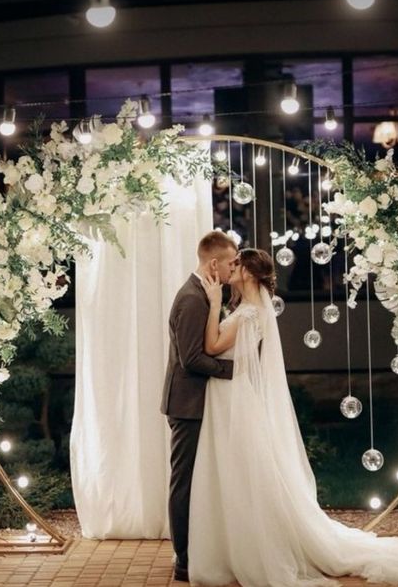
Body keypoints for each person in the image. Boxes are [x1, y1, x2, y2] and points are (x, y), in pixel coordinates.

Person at [189, 248, 398, 586]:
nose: (232, 268)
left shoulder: (248, 314)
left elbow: (213, 347)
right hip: (232, 396)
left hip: (234, 398)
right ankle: (234, 546)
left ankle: (252, 547)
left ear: (250, 273)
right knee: (241, 471)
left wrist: (214, 302)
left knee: (242, 472)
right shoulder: (249, 309)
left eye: (237, 264)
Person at [161, 230, 239, 583]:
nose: (233, 269)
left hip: (193, 401)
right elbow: (191, 359)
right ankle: (183, 559)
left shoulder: (202, 293)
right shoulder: (193, 299)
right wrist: (234, 370)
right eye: (231, 263)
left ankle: (195, 552)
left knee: (194, 480)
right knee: (184, 482)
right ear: (214, 263)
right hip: (187, 404)